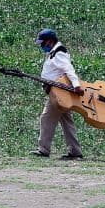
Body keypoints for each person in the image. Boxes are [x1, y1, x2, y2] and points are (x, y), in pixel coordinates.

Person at [31, 28, 84, 160]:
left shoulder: (59, 53)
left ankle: (43, 149)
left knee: (46, 118)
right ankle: (75, 151)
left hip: (58, 93)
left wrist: (76, 85)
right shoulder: (54, 53)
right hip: (58, 92)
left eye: (43, 43)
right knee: (66, 121)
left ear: (50, 41)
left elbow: (69, 69)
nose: (42, 46)